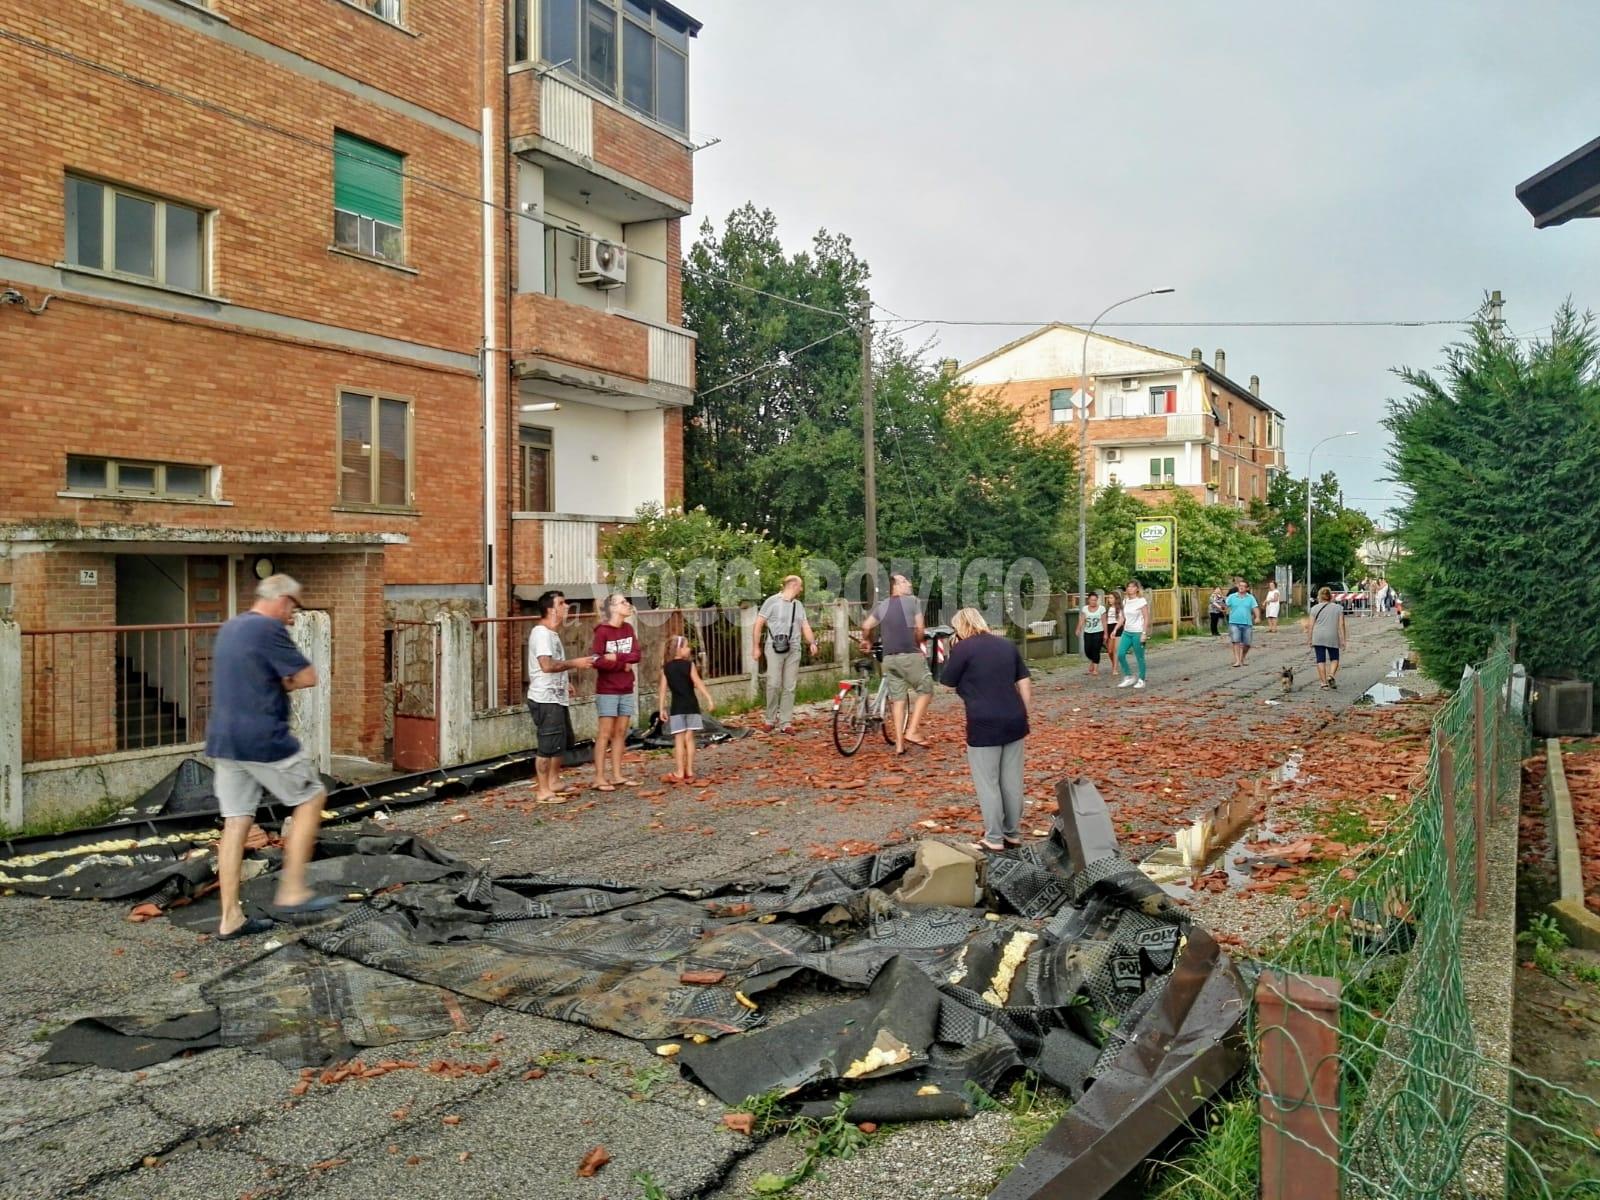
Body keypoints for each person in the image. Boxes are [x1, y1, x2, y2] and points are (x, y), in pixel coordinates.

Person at [204, 574, 333, 939]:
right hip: (262, 738)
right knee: (311, 796)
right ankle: (292, 891)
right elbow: (307, 677)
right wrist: (285, 682)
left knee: (236, 822)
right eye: (293, 607)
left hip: (224, 741)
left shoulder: (231, 627)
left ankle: (230, 918)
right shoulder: (267, 629)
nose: (292, 615)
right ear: (282, 600)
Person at [940, 608, 1032, 853]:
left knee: (988, 783)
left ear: (960, 627)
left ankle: (993, 838)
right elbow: (1023, 681)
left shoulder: (964, 648)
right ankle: (1012, 833)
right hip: (1015, 719)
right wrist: (1023, 711)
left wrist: (953, 651)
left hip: (983, 722)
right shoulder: (1006, 645)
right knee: (1012, 781)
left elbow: (947, 681)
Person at [527, 590, 593, 802]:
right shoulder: (541, 634)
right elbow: (546, 665)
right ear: (551, 609)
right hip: (545, 698)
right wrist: (576, 663)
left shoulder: (551, 634)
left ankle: (554, 782)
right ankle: (543, 791)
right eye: (562, 603)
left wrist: (565, 682)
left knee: (559, 743)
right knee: (547, 746)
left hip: (556, 695)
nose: (567, 607)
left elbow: (554, 665)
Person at [859, 573, 933, 753]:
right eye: (905, 581)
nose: (909, 583)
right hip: (909, 655)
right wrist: (919, 641)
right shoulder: (913, 601)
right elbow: (920, 629)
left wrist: (867, 641)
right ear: (896, 586)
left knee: (898, 700)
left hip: (889, 659)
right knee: (927, 689)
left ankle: (899, 745)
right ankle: (912, 731)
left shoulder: (883, 605)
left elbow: (866, 625)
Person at [752, 575, 819, 733]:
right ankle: (770, 718)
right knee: (773, 683)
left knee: (789, 686)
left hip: (794, 647)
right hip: (774, 647)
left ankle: (786, 722)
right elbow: (758, 624)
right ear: (794, 585)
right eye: (800, 586)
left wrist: (812, 642)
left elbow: (805, 626)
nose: (801, 589)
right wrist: (755, 647)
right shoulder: (772, 601)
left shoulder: (798, 605)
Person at [590, 593, 641, 791]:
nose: (627, 605)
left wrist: (616, 657)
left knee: (620, 733)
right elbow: (597, 660)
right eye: (623, 602)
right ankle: (599, 777)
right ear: (612, 607)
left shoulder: (628, 628)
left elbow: (636, 655)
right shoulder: (602, 632)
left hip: (626, 688)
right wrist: (622, 664)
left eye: (627, 602)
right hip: (608, 690)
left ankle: (617, 774)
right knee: (605, 733)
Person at [659, 635, 716, 783]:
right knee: (689, 738)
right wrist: (709, 698)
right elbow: (698, 683)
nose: (689, 648)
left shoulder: (666, 667)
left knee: (679, 740)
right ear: (679, 649)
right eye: (686, 646)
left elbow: (663, 690)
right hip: (691, 705)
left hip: (677, 708)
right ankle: (690, 770)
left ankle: (679, 772)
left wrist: (661, 708)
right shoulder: (689, 665)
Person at [1308, 585, 1348, 689]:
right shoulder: (1338, 608)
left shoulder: (1314, 609)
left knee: (1320, 659)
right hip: (1332, 635)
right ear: (1330, 596)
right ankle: (1331, 675)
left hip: (1318, 636)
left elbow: (1311, 625)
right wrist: (1343, 639)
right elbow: (1341, 625)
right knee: (1334, 658)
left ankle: (1323, 683)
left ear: (1319, 596)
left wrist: (1309, 639)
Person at [1116, 580, 1150, 689]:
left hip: (1138, 632)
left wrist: (1144, 633)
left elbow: (1146, 617)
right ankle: (1129, 676)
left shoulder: (1141, 601)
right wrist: (1115, 629)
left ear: (1137, 589)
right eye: (1128, 587)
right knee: (1120, 654)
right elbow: (1122, 617)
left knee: (1139, 657)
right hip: (1127, 632)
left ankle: (1141, 679)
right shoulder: (1125, 601)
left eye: (1132, 587)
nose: (1130, 588)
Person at [1226, 578, 1260, 667]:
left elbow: (1255, 608)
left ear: (1247, 588)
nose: (1241, 587)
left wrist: (1257, 617)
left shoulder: (1250, 598)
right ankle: (1237, 660)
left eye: (1243, 586)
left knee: (1247, 644)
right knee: (1235, 641)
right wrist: (1224, 609)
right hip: (1234, 622)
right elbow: (1225, 604)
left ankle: (1243, 657)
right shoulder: (1232, 597)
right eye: (1239, 586)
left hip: (1247, 623)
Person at [1076, 591, 1106, 676]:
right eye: (1092, 600)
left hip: (1098, 631)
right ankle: (1093, 660)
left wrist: (1105, 633)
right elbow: (1082, 619)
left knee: (1096, 649)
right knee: (1087, 650)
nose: (1093, 602)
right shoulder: (1085, 608)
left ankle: (1095, 669)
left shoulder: (1101, 609)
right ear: (1088, 600)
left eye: (1095, 600)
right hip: (1088, 632)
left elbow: (1104, 621)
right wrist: (1078, 629)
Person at [1104, 590, 1124, 680]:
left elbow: (1121, 620)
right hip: (1109, 627)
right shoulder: (1107, 609)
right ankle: (1114, 664)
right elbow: (1104, 620)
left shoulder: (1119, 608)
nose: (1109, 599)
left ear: (1116, 599)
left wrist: (1115, 630)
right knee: (1110, 651)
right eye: (1109, 598)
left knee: (1116, 650)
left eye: (1111, 598)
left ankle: (1115, 668)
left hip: (1118, 628)